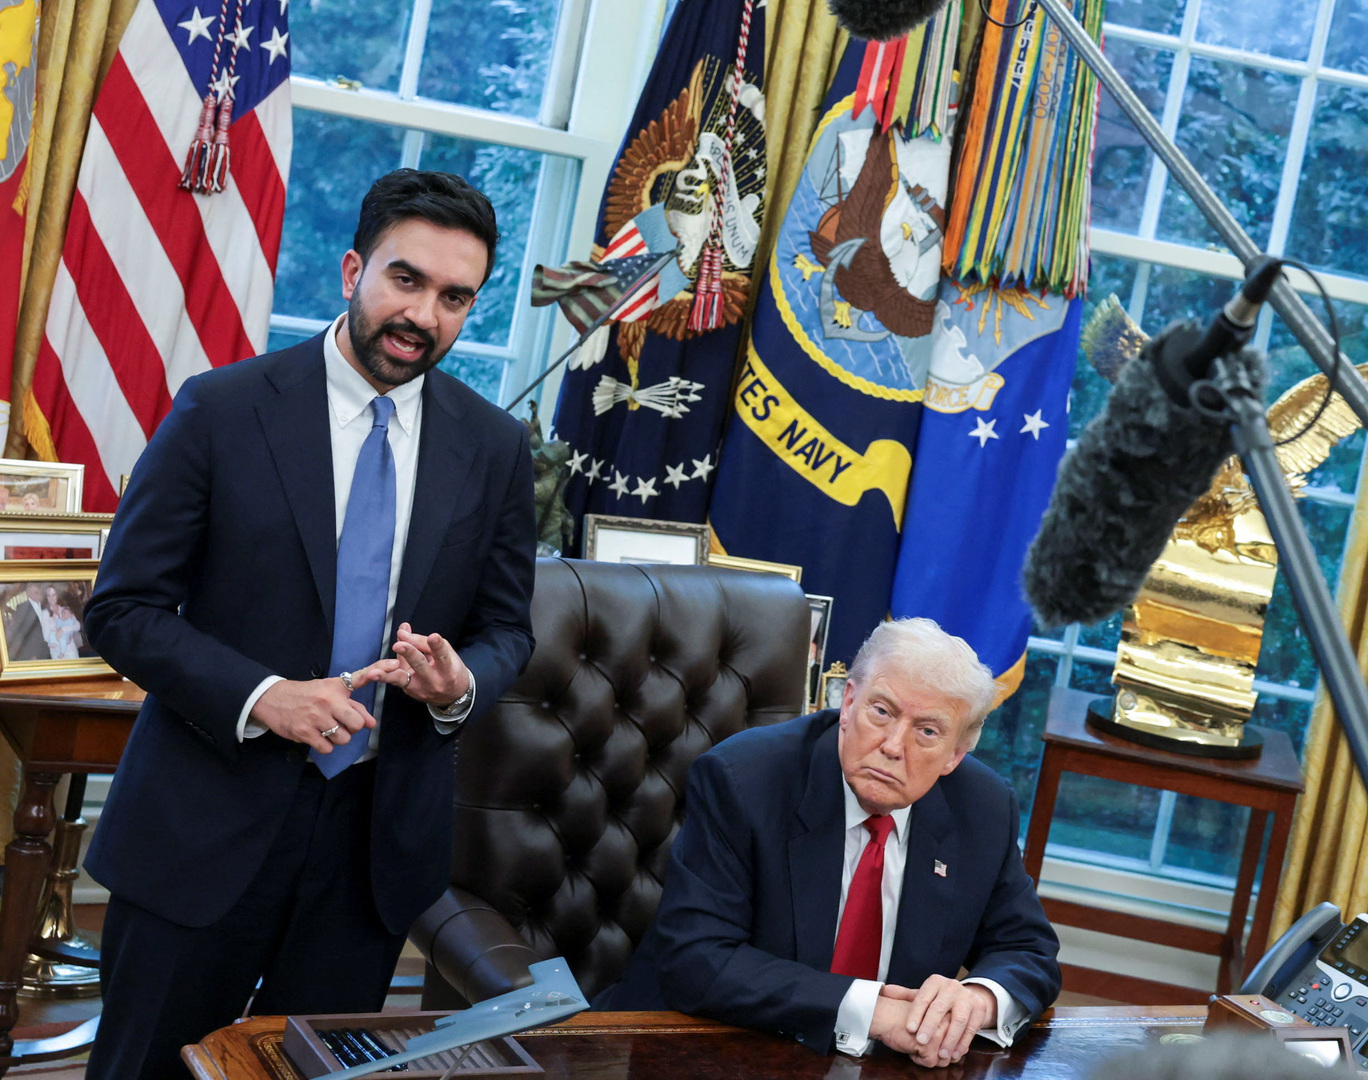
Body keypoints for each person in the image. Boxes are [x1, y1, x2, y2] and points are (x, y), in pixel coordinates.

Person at [82, 170, 536, 1080]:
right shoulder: (222, 408)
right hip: (201, 827)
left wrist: (460, 685)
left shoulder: (492, 445)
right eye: (405, 280)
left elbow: (506, 630)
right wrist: (264, 697)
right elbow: (120, 610)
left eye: (455, 297)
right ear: (351, 269)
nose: (425, 315)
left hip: (369, 853)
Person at [597, 618, 1061, 1068]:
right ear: (850, 702)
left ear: (955, 755)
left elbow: (1028, 949)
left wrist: (977, 1000)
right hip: (707, 1050)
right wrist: (873, 1011)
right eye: (882, 711)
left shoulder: (982, 808)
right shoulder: (744, 781)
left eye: (928, 732)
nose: (894, 746)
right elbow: (696, 959)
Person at [4, 584, 52, 661]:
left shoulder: (45, 605)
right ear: (29, 594)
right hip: (36, 653)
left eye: (40, 592)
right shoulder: (23, 607)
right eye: (36, 593)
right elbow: (23, 634)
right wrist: (32, 654)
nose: (39, 595)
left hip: (50, 648)